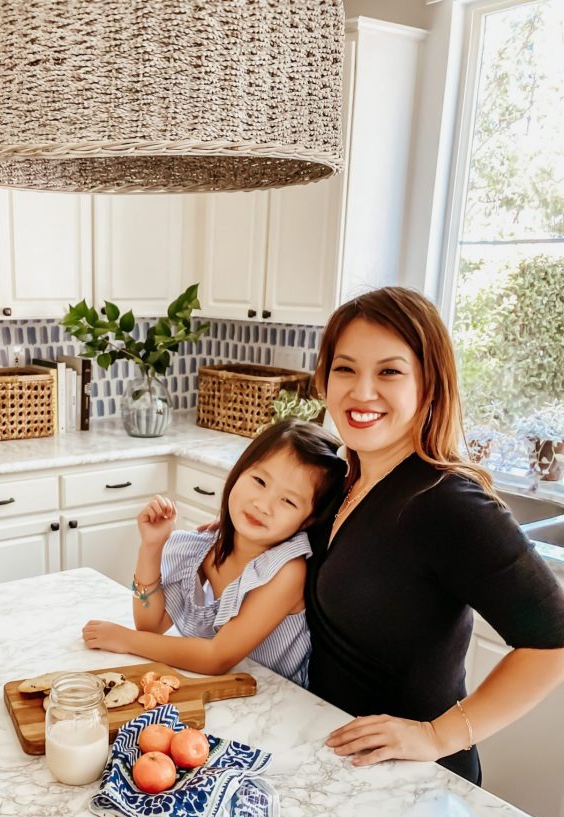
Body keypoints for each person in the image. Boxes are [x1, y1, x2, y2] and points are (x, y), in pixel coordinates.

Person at [305, 286, 564, 782]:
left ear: (429, 384)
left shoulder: (448, 503)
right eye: (345, 368)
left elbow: (552, 644)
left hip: (417, 781)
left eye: (389, 372)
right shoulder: (346, 480)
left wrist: (438, 736)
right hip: (338, 759)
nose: (362, 392)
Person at [82, 420, 346, 684]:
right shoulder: (208, 546)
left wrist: (126, 640)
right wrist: (152, 546)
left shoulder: (287, 571)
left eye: (288, 501)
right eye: (259, 480)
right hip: (221, 694)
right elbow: (151, 624)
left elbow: (216, 657)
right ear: (240, 470)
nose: (263, 505)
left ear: (309, 519)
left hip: (274, 702)